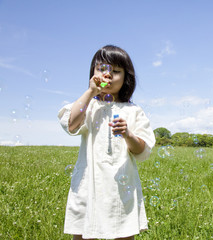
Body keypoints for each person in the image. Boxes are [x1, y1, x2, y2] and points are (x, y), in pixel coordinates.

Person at [58, 45, 156, 240]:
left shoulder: (133, 111)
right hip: (89, 183)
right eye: (102, 69)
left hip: (121, 185)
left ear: (126, 77)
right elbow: (70, 124)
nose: (108, 75)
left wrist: (128, 134)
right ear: (93, 73)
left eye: (116, 71)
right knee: (84, 231)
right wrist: (90, 92)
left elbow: (141, 150)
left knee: (124, 231)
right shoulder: (89, 105)